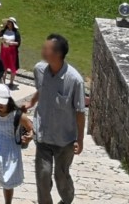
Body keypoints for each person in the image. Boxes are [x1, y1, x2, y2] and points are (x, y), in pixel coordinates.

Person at [26, 33, 86, 204]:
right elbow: (42, 89)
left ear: (58, 54)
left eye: (47, 49)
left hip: (64, 140)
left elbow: (80, 112)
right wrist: (31, 102)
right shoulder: (39, 70)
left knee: (61, 177)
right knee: (42, 177)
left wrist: (80, 140)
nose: (42, 51)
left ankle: (67, 199)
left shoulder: (75, 80)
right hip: (43, 135)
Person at [0, 17, 21, 88]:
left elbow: (18, 43)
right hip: (4, 51)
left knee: (12, 67)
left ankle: (11, 82)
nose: (8, 24)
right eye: (8, 22)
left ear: (13, 24)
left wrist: (10, 43)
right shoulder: (4, 31)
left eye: (10, 23)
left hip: (12, 52)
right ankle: (3, 81)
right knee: (3, 66)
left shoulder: (16, 33)